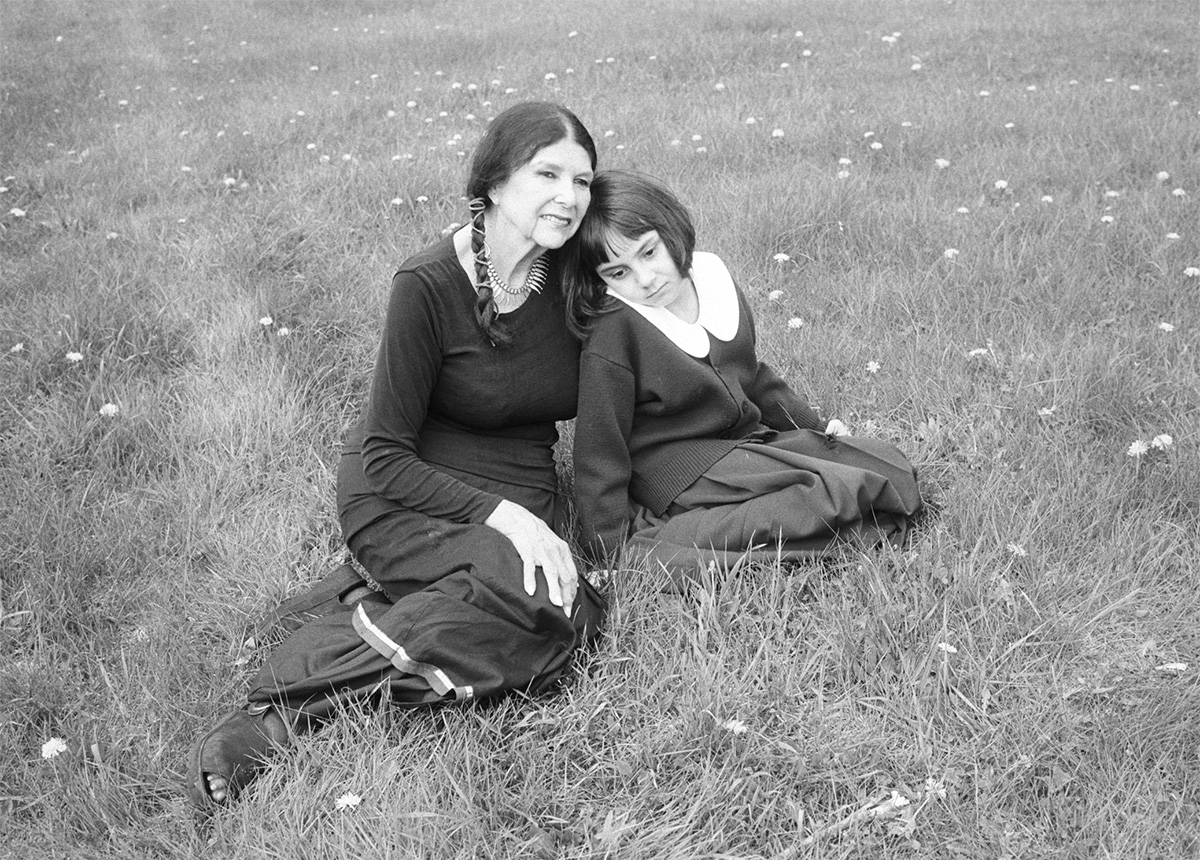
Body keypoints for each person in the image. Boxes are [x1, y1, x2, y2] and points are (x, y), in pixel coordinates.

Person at [187, 102, 605, 809]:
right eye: (548, 174)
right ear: (496, 184)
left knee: (568, 613)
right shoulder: (428, 285)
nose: (569, 196)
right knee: (544, 606)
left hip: (519, 487)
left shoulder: (574, 278)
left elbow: (656, 303)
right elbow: (383, 453)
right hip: (409, 491)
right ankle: (278, 712)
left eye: (584, 181)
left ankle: (357, 604)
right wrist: (508, 520)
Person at [563, 170, 922, 580]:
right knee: (829, 493)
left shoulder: (712, 277)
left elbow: (753, 376)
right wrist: (608, 550)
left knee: (887, 466)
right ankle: (662, 543)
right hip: (681, 472)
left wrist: (818, 431)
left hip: (743, 448)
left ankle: (797, 526)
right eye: (618, 272)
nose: (645, 280)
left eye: (648, 252)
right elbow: (599, 448)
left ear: (670, 228)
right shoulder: (615, 327)